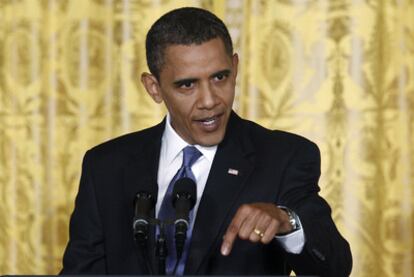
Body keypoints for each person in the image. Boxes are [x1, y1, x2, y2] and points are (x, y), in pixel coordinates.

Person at [61, 7, 352, 276]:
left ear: (235, 68)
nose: (210, 100)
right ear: (154, 88)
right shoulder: (107, 166)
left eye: (220, 77)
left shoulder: (284, 156)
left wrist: (287, 222)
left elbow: (335, 267)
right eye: (187, 84)